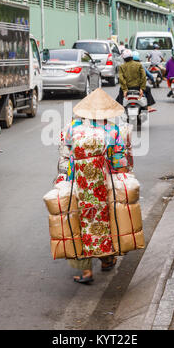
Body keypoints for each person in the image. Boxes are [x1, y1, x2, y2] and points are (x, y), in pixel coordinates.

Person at [62, 89, 131, 283]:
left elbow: (67, 151)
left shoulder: (72, 127)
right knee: (105, 218)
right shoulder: (113, 130)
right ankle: (107, 259)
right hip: (103, 181)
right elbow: (119, 161)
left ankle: (85, 271)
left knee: (79, 219)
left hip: (78, 180)